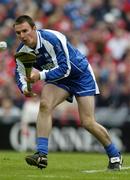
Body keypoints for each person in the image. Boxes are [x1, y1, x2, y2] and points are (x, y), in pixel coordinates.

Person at [13, 15, 123, 170]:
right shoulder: (22, 52)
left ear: (34, 29)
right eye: (18, 33)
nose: (22, 36)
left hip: (80, 75)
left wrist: (40, 75)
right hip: (58, 79)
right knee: (44, 105)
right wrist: (24, 88)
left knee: (87, 122)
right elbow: (18, 72)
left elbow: (66, 68)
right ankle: (41, 155)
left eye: (25, 31)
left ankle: (114, 154)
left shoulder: (53, 38)